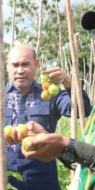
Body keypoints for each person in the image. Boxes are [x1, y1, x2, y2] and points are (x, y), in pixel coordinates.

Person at [0, 43, 92, 189]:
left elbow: (84, 110)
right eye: (15, 65)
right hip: (4, 183)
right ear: (7, 66)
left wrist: (69, 84)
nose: (20, 70)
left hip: (43, 182)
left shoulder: (51, 95)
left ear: (36, 64)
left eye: (25, 64)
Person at [22, 10, 95, 190]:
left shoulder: (53, 96)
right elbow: (88, 159)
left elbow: (81, 110)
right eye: (94, 35)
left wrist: (64, 145)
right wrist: (55, 144)